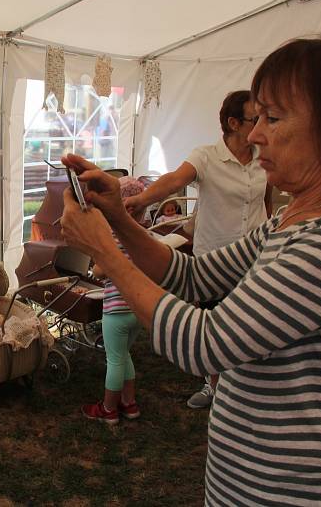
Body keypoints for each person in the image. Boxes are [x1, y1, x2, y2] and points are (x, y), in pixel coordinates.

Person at [59, 34, 321, 505]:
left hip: (294, 491)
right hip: (251, 483)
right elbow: (194, 277)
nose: (257, 133)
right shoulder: (293, 219)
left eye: (274, 117)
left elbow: (206, 345)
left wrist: (106, 250)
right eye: (256, 116)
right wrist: (119, 217)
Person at [124, 90, 271, 410]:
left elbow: (265, 198)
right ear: (233, 123)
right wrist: (141, 200)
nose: (261, 125)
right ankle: (213, 387)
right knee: (216, 325)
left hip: (256, 257)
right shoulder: (206, 156)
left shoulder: (264, 155)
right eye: (254, 118)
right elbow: (174, 179)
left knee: (250, 325)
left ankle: (244, 387)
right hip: (216, 258)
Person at [81, 177, 145, 426]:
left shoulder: (115, 238)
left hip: (116, 310)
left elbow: (99, 271)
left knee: (114, 359)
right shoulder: (143, 235)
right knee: (124, 354)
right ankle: (129, 404)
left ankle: (108, 408)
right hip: (137, 309)